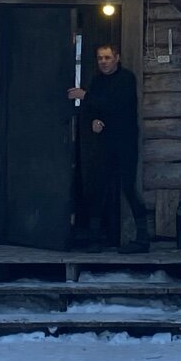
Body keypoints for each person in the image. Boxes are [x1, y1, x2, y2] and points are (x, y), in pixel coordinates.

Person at [67, 43, 152, 253]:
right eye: (99, 58)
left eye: (107, 57)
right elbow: (95, 108)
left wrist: (85, 96)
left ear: (117, 58)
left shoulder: (126, 79)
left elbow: (116, 105)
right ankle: (95, 238)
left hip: (124, 142)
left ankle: (142, 238)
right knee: (98, 186)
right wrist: (95, 121)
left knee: (128, 187)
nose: (103, 62)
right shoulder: (97, 81)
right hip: (104, 143)